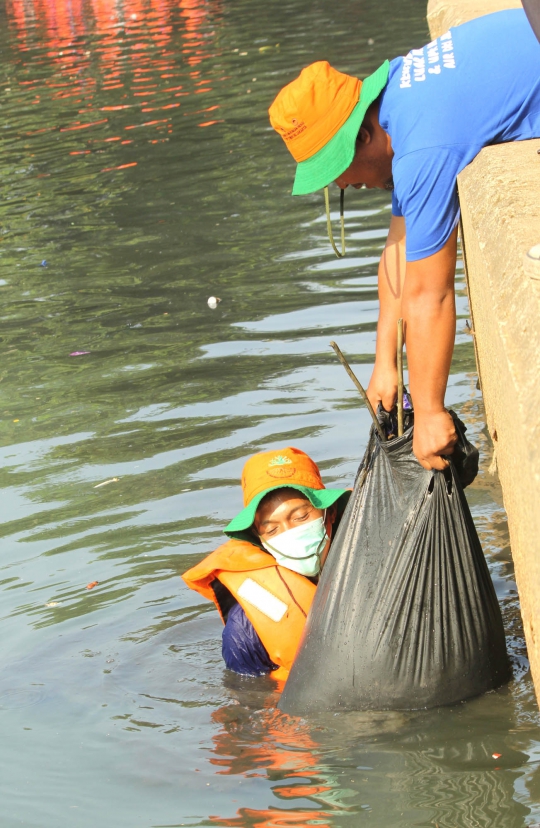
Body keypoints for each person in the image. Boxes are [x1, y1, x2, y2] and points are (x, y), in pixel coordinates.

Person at [268, 9, 540, 472]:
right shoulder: (401, 94)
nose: (343, 186)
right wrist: (384, 363)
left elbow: (430, 293)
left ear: (367, 135)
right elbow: (399, 250)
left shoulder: (422, 148)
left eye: (336, 170)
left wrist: (431, 411)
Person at [182, 447, 350, 679]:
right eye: (272, 529)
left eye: (301, 517)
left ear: (329, 512)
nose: (291, 533)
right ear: (259, 538)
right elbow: (251, 704)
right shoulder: (245, 631)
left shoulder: (375, 557)